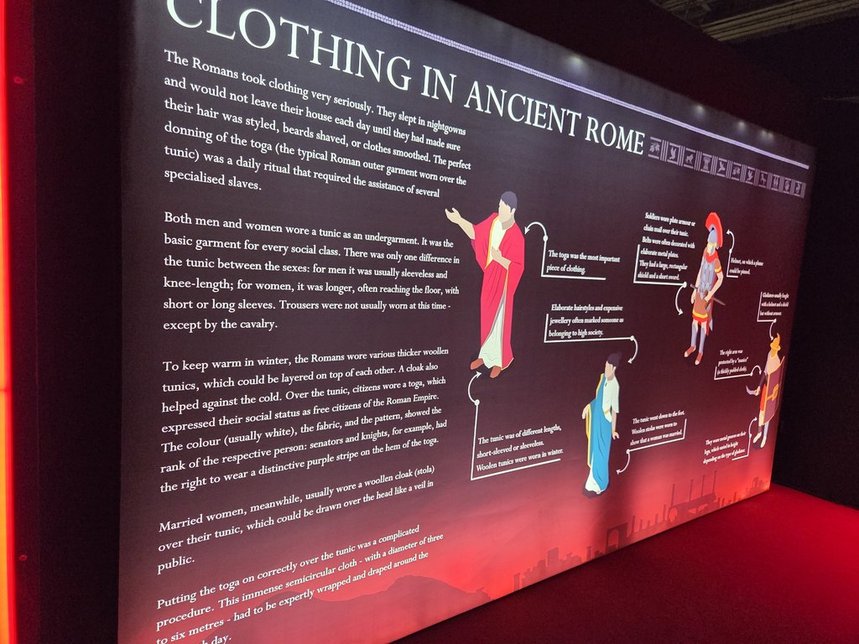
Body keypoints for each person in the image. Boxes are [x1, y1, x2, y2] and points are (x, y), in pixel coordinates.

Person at [445, 191, 525, 378]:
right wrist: (458, 220)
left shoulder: (517, 236)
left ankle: (501, 361)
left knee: (499, 323)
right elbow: (475, 233)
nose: (500, 211)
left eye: (503, 208)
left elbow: (518, 267)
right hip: (490, 279)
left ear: (512, 211)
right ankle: (485, 356)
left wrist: (501, 259)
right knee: (487, 318)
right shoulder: (493, 221)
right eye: (499, 206)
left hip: (504, 286)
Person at [684, 211, 724, 365]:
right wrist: (694, 290)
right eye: (708, 242)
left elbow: (720, 278)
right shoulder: (704, 252)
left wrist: (710, 294)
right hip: (700, 292)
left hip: (707, 295)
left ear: (714, 244)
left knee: (703, 324)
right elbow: (700, 270)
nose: (708, 245)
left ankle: (700, 351)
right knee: (694, 321)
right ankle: (692, 346)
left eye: (710, 243)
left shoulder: (716, 260)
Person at [581, 353, 621, 495]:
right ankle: (592, 480)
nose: (606, 369)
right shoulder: (603, 378)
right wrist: (588, 407)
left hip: (605, 423)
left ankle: (601, 483)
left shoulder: (614, 385)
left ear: (614, 368)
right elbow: (598, 399)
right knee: (595, 452)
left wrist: (613, 430)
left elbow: (614, 410)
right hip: (597, 418)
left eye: (608, 367)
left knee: (602, 455)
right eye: (605, 366)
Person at [752, 334, 784, 448]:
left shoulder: (777, 361)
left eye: (774, 348)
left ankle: (765, 436)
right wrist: (759, 386)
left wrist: (773, 392)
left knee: (768, 415)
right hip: (766, 387)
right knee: (761, 411)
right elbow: (765, 371)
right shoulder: (769, 354)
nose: (773, 349)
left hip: (771, 391)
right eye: (772, 347)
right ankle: (759, 433)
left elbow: (776, 379)